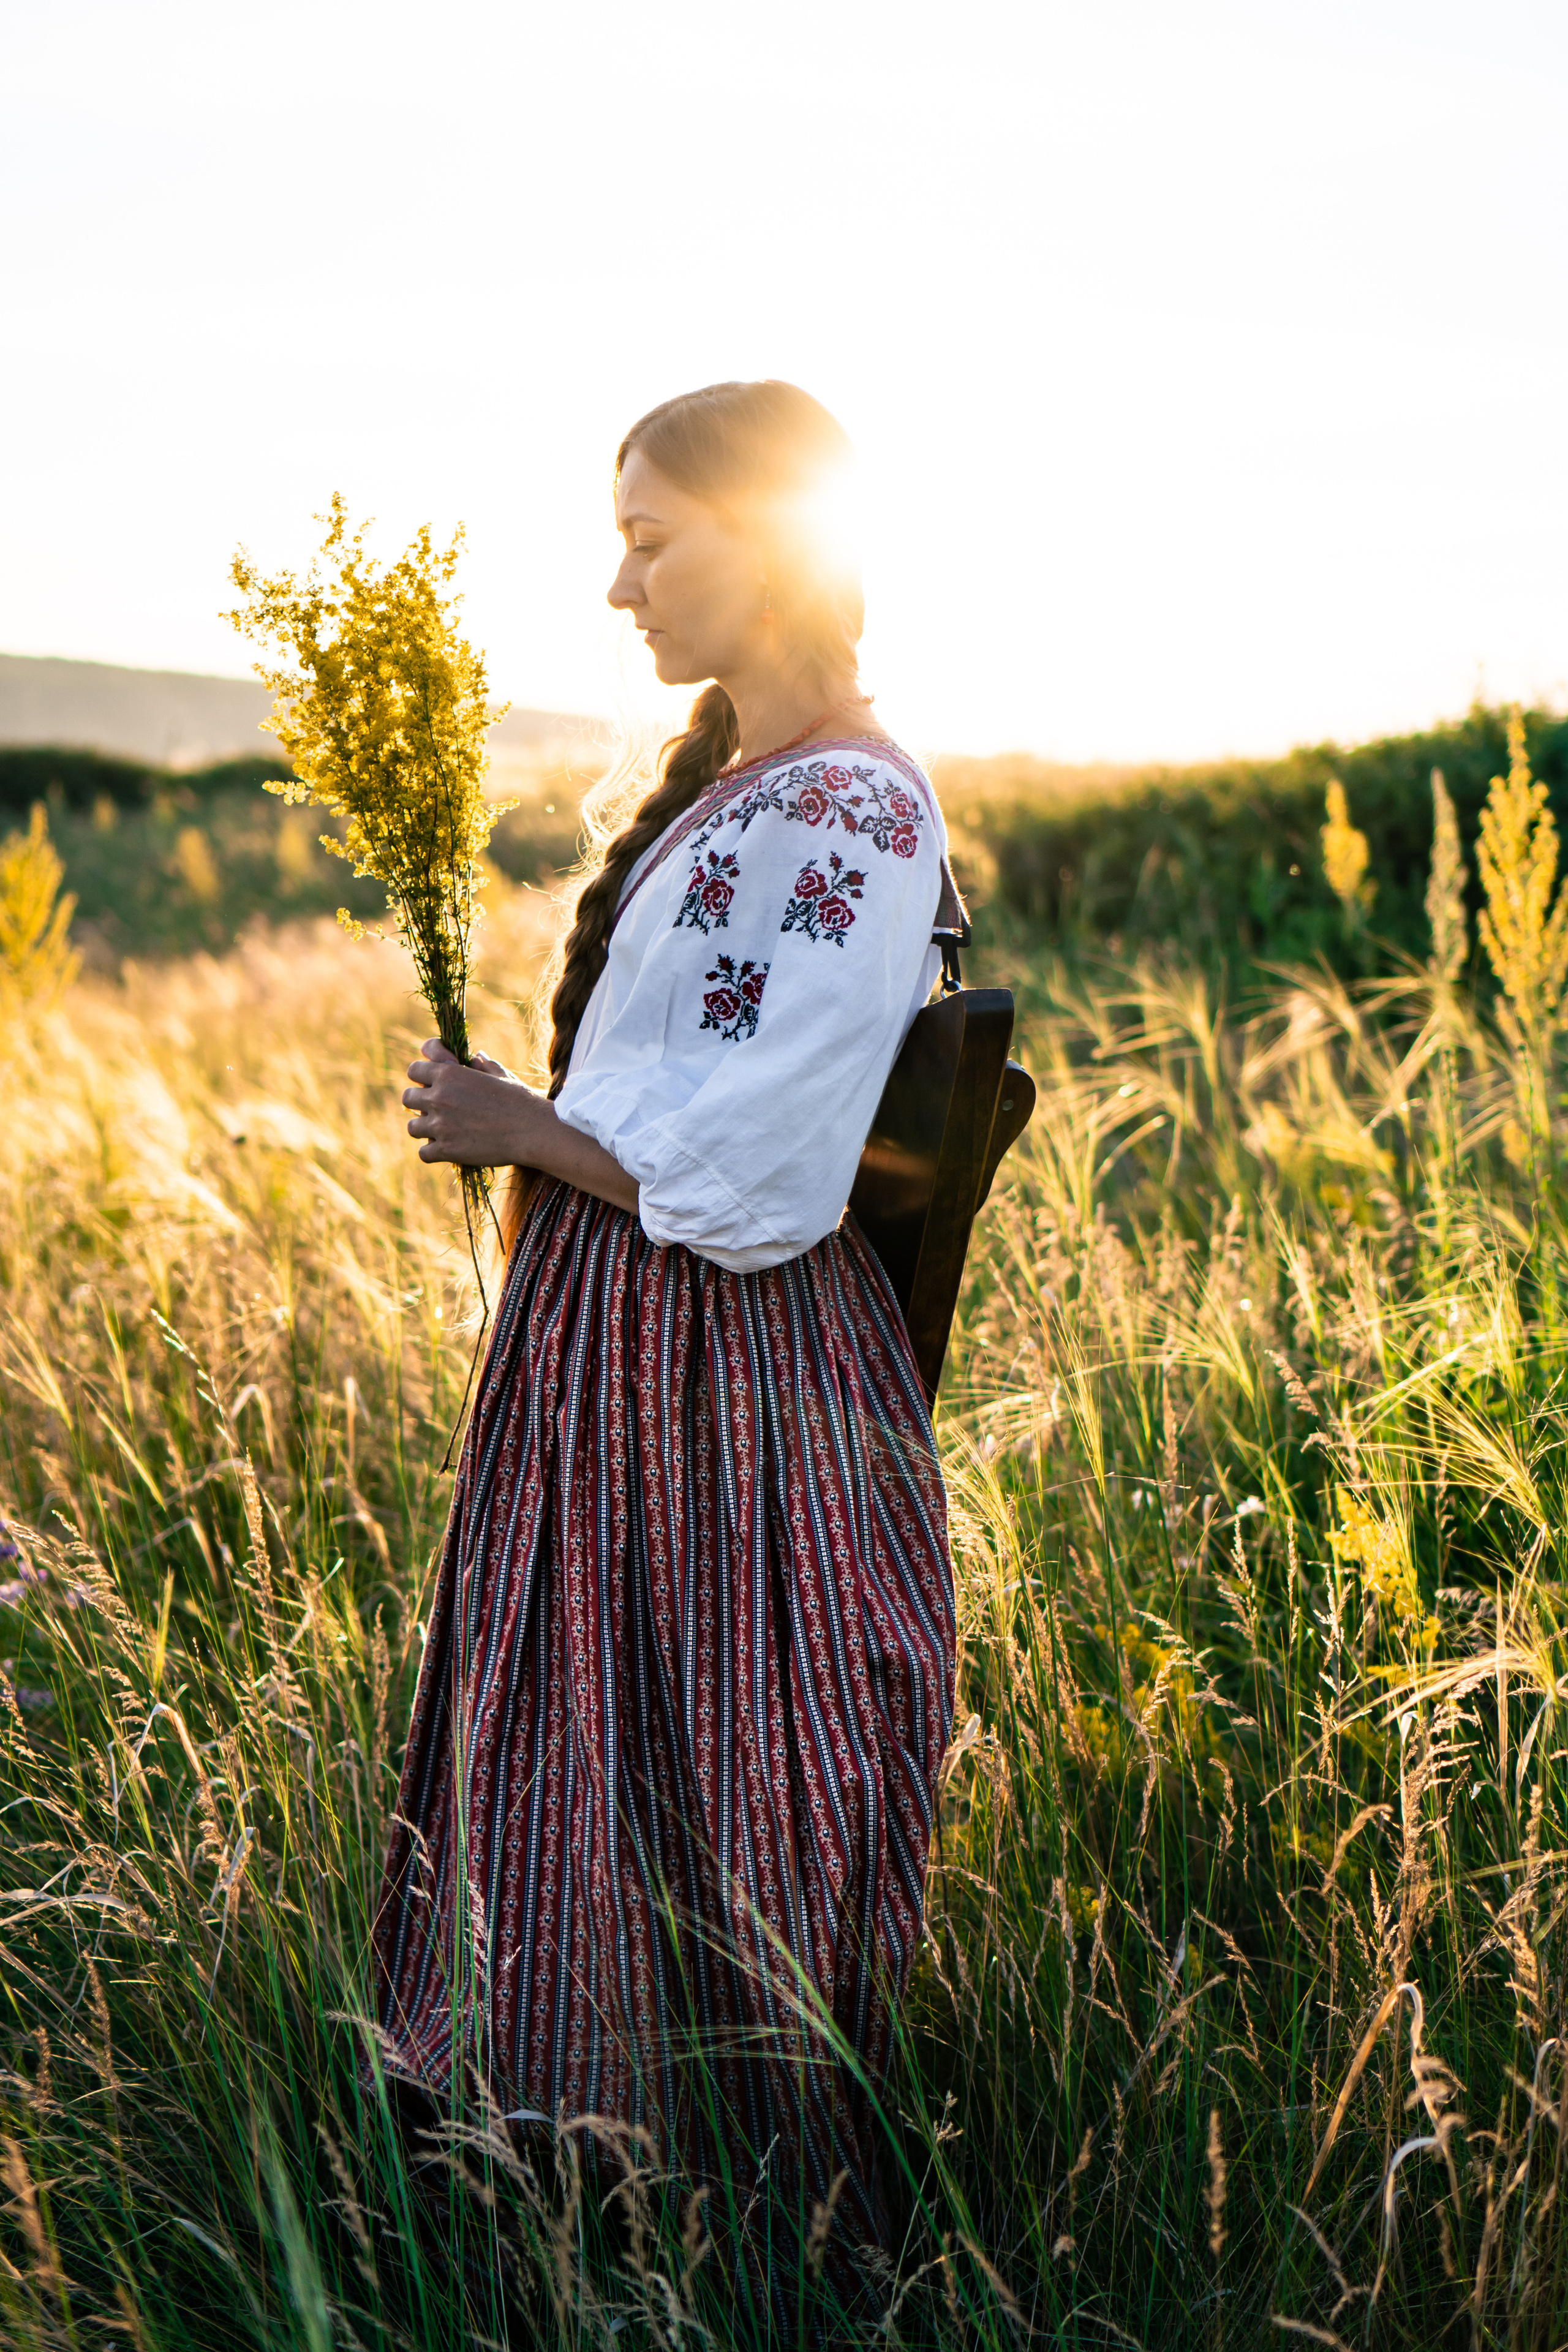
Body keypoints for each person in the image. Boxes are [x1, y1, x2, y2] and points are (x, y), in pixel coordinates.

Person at [374, 380, 956, 2310]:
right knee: (575, 1741)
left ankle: (757, 2224)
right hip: (615, 1348)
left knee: (708, 1758)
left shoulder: (859, 805)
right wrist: (534, 1133)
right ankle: (566, 2204)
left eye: (654, 537)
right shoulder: (727, 790)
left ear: (775, 539)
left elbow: (777, 1153)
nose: (619, 583)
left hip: (725, 1371)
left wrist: (526, 1132)